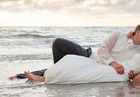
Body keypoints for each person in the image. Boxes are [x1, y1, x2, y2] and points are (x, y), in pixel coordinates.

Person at [9, 25, 140, 83]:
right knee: (59, 43)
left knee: (64, 69)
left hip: (97, 68)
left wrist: (133, 75)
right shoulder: (119, 35)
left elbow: (134, 70)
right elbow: (102, 50)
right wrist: (113, 63)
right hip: (90, 56)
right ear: (136, 31)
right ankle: (55, 75)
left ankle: (36, 76)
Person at [24, 52, 140, 84]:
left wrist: (131, 79)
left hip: (120, 74)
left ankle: (44, 79)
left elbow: (136, 81)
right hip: (119, 67)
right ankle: (45, 77)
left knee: (85, 73)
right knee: (74, 61)